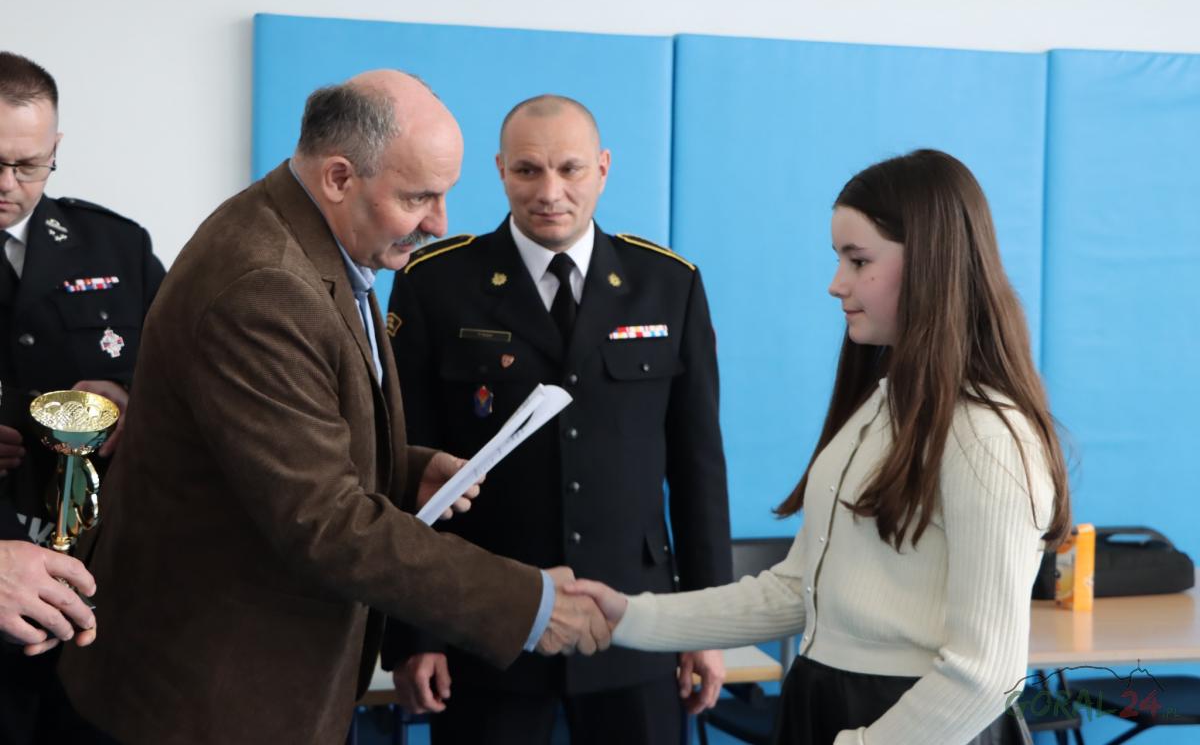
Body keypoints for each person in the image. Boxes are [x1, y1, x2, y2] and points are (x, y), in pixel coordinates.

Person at [57, 71, 611, 745]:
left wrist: (404, 469)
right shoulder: (265, 282)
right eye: (419, 197)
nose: (439, 223)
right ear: (340, 177)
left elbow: (287, 436)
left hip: (262, 680)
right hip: (210, 697)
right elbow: (324, 520)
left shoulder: (310, 235)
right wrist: (529, 603)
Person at [569, 149, 1072, 745]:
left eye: (858, 261)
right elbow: (795, 591)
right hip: (824, 701)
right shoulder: (880, 409)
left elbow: (987, 674)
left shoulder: (987, 436)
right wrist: (630, 615)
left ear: (932, 262)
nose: (837, 284)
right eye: (839, 259)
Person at [383, 94, 732, 745]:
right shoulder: (435, 283)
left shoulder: (668, 283)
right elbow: (405, 465)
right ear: (500, 170)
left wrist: (706, 626)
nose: (550, 192)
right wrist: (416, 633)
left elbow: (698, 470)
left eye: (569, 169)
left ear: (602, 168)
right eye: (527, 170)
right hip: (486, 626)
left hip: (636, 623)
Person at [0, 51, 164, 745]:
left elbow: (187, 384)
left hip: (97, 605)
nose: (6, 184)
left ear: (55, 148)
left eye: (28, 165)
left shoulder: (116, 247)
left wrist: (127, 399)